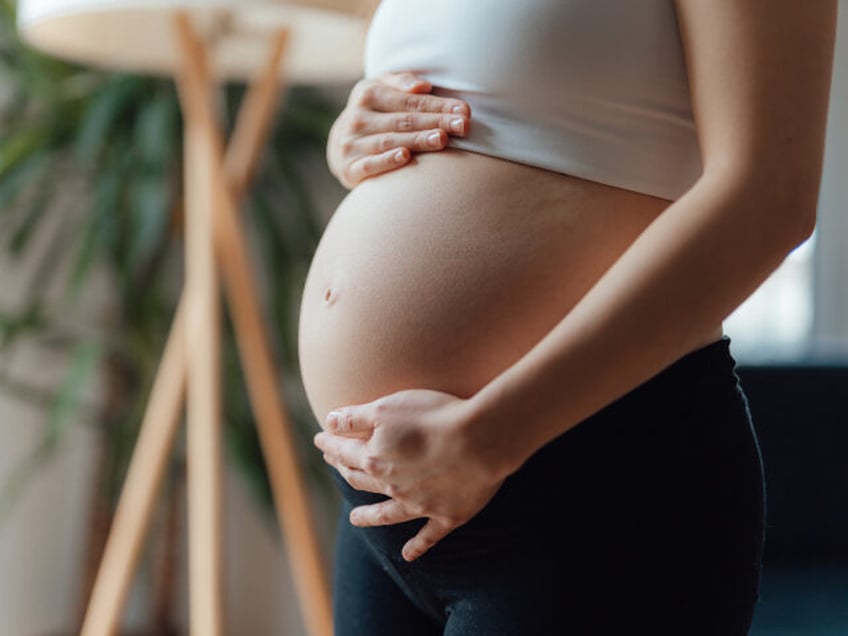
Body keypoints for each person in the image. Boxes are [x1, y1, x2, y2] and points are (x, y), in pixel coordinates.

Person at [299, 1, 837, 634]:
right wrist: (357, 139)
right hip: (391, 500)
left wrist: (491, 435)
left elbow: (768, 198)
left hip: (596, 489)